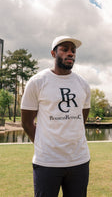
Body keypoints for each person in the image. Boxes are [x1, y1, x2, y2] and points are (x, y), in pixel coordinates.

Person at [21, 35, 91, 197]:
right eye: (64, 49)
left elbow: (82, 119)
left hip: (79, 161)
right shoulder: (37, 82)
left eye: (73, 51)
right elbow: (27, 122)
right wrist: (42, 143)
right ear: (53, 54)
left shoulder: (83, 84)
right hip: (47, 162)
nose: (70, 53)